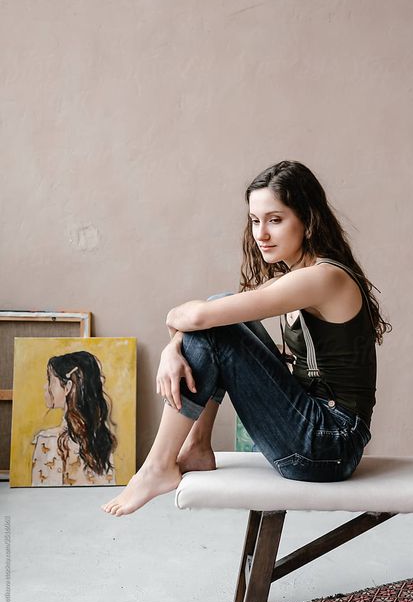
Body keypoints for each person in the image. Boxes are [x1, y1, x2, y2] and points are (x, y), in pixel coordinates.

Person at [101, 160, 390, 516]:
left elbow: (196, 317)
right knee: (221, 308)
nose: (261, 234)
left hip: (329, 445)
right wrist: (172, 347)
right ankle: (196, 447)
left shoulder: (321, 278)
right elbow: (215, 312)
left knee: (213, 322)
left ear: (308, 219)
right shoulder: (300, 276)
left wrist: (171, 325)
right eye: (255, 221)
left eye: (275, 220)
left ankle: (158, 465)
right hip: (319, 433)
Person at [32, 351, 117, 486]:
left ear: (68, 387)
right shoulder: (101, 439)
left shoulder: (49, 440)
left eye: (50, 380)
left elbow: (43, 493)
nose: (45, 386)